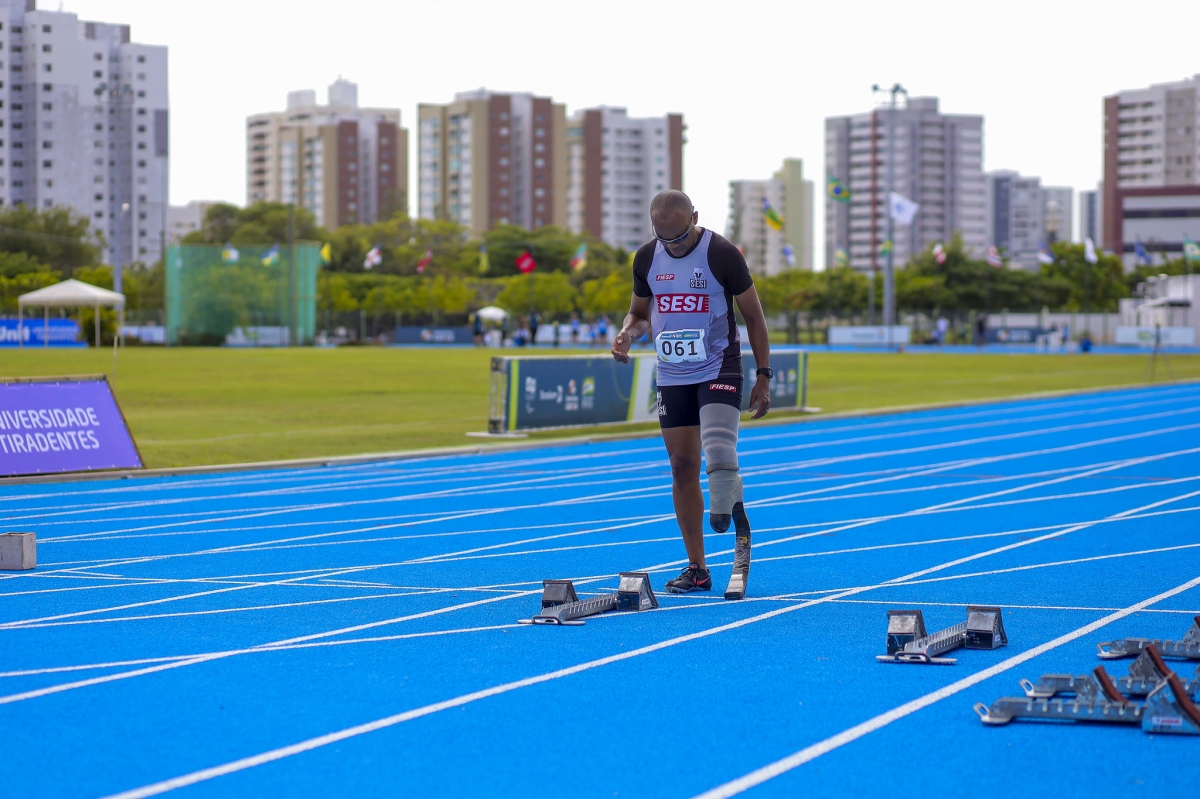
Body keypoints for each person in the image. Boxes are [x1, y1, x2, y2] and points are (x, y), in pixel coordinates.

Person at [611, 190, 771, 600]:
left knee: (717, 451)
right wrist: (627, 333)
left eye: (680, 238)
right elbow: (639, 313)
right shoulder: (647, 258)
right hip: (672, 373)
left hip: (719, 365)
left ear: (695, 218)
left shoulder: (721, 253)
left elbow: (754, 316)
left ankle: (724, 493)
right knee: (682, 467)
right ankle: (698, 569)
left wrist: (764, 374)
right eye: (665, 239)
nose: (674, 246)